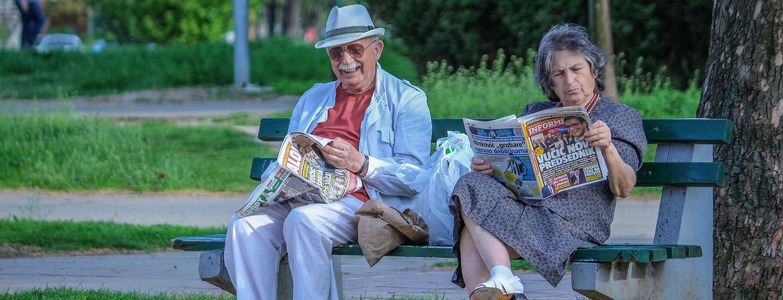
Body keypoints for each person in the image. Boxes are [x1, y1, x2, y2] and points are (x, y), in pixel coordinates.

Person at [223, 4, 432, 299]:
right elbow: (289, 151)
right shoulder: (314, 97)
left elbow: (414, 178)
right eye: (336, 53)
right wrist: (277, 178)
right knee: (245, 224)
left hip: (362, 203)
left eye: (355, 50)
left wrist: (360, 163)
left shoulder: (406, 100)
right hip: (302, 197)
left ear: (377, 49)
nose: (346, 61)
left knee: (304, 222)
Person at [449, 23, 647, 299]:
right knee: (469, 183)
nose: (569, 81)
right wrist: (490, 169)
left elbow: (624, 187)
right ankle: (503, 279)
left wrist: (608, 147)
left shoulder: (618, 117)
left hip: (575, 225)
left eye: (576, 69)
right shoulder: (536, 112)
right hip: (528, 211)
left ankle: (504, 280)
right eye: (559, 74)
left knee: (471, 235)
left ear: (594, 70)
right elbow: (515, 172)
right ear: (550, 81)